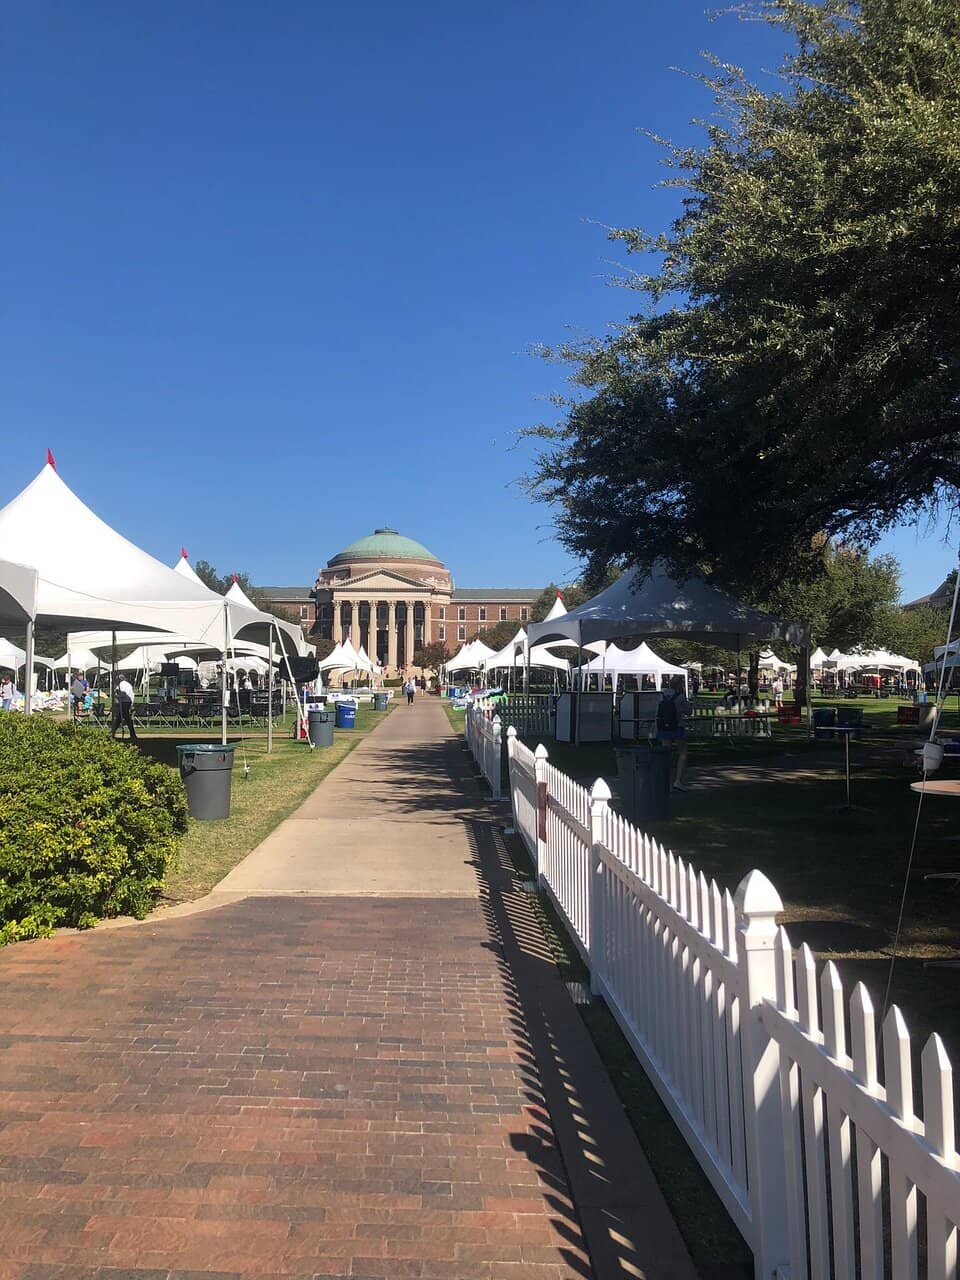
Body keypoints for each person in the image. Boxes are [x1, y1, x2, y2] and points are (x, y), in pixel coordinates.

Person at [656, 674, 691, 792]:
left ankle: (665, 781)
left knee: (666, 754)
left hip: (664, 727)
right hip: (677, 727)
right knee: (682, 753)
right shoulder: (680, 697)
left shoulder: (662, 695)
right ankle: (678, 780)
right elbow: (688, 711)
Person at [111, 675, 138, 743]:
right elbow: (132, 695)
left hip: (124, 702)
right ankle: (113, 732)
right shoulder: (128, 684)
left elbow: (123, 694)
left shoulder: (121, 685)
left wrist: (116, 695)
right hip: (128, 702)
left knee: (123, 718)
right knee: (121, 718)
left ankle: (112, 733)